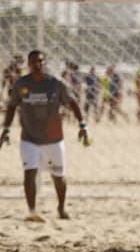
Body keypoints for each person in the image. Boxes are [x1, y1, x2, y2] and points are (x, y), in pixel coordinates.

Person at [0, 50, 89, 222]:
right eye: (34, 62)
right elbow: (11, 106)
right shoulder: (21, 84)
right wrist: (6, 129)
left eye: (40, 61)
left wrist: (82, 125)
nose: (37, 64)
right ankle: (32, 211)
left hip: (53, 138)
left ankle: (61, 208)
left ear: (45, 63)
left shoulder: (56, 83)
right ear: (28, 64)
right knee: (29, 173)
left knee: (58, 176)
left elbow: (72, 102)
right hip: (29, 138)